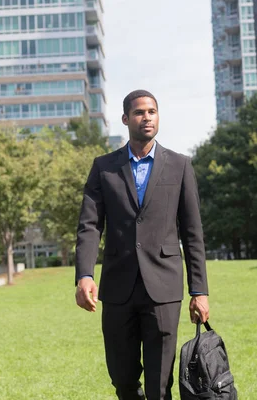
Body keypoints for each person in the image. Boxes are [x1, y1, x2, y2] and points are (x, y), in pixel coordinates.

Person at [75, 89, 209, 400]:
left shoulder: (180, 166)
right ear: (125, 119)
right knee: (122, 379)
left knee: (159, 385)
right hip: (118, 287)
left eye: (151, 111)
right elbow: (89, 225)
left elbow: (192, 232)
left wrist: (199, 291)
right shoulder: (103, 167)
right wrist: (84, 275)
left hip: (163, 288)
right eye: (138, 112)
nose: (146, 117)